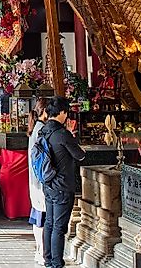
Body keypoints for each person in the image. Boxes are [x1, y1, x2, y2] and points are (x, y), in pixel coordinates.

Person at [40, 97, 86, 268]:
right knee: (59, 227)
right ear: (61, 113)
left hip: (48, 183)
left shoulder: (43, 130)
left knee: (50, 223)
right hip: (62, 185)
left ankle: (48, 260)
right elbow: (80, 155)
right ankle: (56, 264)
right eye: (66, 112)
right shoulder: (62, 134)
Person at [28, 98, 50, 266]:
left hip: (36, 181)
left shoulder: (36, 128)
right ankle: (41, 252)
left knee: (38, 218)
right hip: (41, 181)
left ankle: (39, 250)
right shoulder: (42, 129)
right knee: (42, 219)